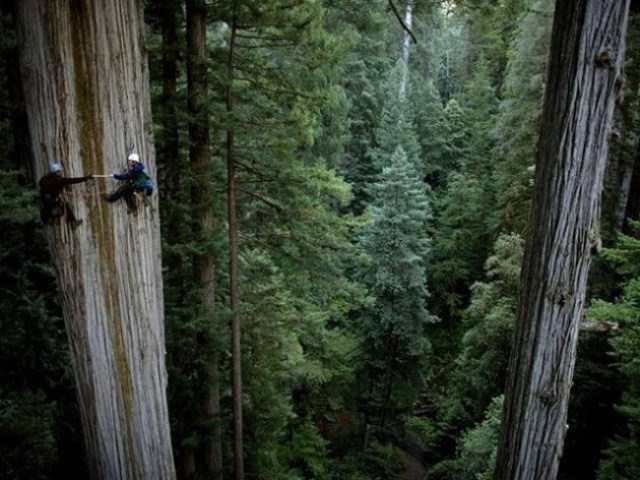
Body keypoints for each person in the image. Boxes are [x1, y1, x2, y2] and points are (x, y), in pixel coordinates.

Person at [39, 163, 93, 228]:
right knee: (64, 204)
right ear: (56, 172)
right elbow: (73, 180)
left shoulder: (44, 179)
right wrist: (86, 178)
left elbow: (40, 183)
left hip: (44, 199)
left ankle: (43, 221)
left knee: (47, 207)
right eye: (59, 171)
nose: (60, 173)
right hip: (52, 199)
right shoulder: (60, 180)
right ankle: (73, 222)